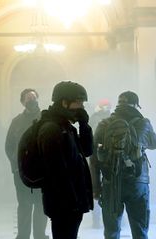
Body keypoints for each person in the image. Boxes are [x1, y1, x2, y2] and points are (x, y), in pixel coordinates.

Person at [91, 91, 156, 239]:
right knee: (140, 231)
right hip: (138, 182)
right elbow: (155, 143)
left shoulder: (104, 124)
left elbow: (94, 158)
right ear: (136, 105)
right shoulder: (143, 123)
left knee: (111, 232)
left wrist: (95, 187)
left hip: (111, 183)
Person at [37, 81, 93, 239]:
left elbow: (87, 151)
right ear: (64, 102)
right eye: (78, 102)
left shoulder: (65, 127)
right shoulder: (52, 129)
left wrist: (84, 125)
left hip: (72, 201)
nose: (81, 107)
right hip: (64, 203)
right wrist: (72, 201)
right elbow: (56, 172)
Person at [5, 88, 48, 239]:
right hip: (21, 171)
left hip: (42, 172)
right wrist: (15, 166)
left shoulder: (46, 118)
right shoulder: (16, 121)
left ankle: (40, 235)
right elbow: (9, 145)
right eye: (28, 98)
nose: (32, 101)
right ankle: (23, 236)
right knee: (24, 205)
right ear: (23, 102)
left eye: (34, 97)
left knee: (41, 205)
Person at [88, 98, 112, 229]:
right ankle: (99, 220)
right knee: (98, 188)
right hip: (101, 158)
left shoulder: (95, 118)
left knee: (96, 189)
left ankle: (98, 221)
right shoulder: (111, 119)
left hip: (98, 158)